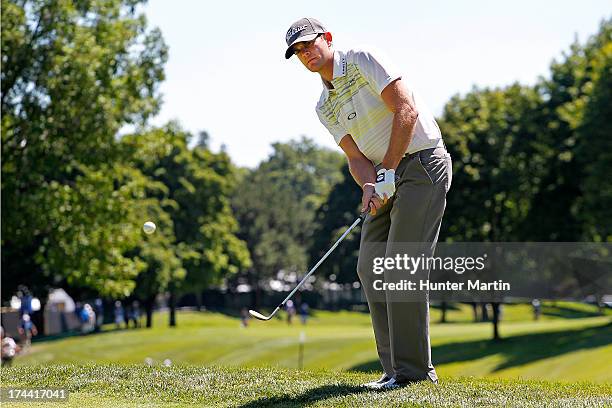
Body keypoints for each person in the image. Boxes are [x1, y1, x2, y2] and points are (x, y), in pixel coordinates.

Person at [284, 18, 452, 388]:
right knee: (370, 266)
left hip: (422, 164)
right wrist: (368, 185)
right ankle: (394, 371)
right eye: (298, 52)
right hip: (383, 177)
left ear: (327, 39)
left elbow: (405, 109)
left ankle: (414, 375)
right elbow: (355, 157)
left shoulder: (361, 58)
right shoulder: (324, 105)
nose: (306, 53)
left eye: (309, 44)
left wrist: (388, 171)